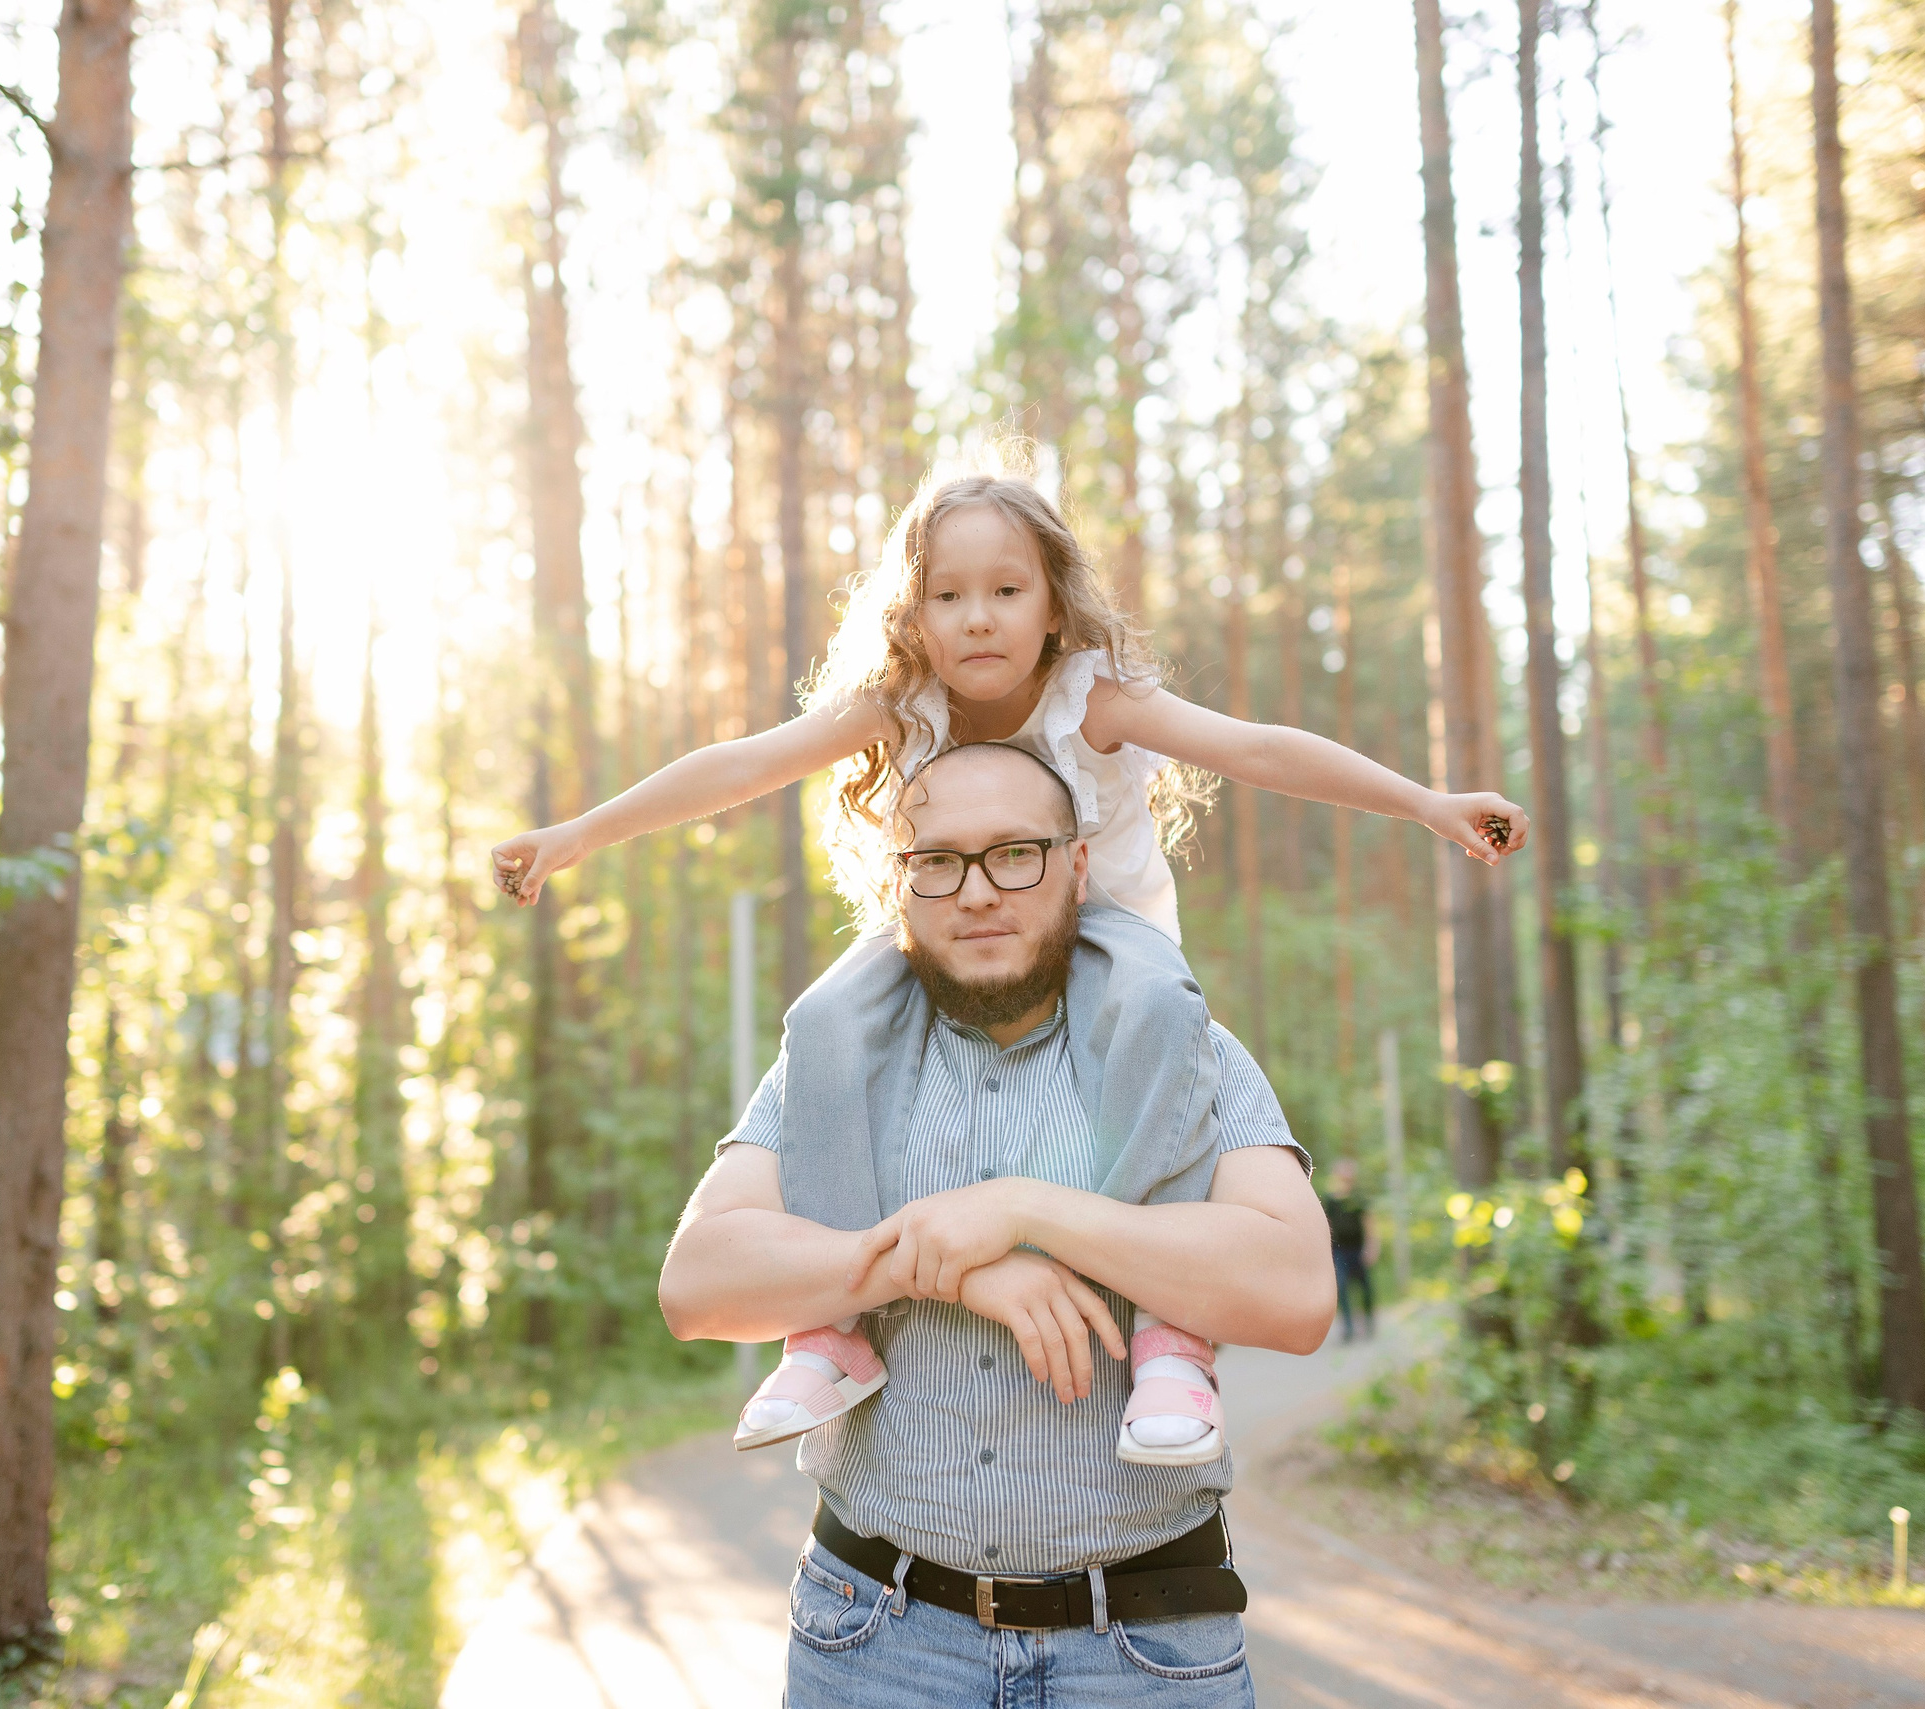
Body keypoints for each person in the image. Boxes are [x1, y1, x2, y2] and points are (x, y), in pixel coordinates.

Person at [495, 454, 1526, 1456]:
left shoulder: (1094, 697)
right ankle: (828, 1333)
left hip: (1107, 933)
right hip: (949, 924)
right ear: (913, 614)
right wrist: (578, 834)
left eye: (1005, 589)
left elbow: (1255, 746)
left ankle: (1172, 1341)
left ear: (1053, 603)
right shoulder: (899, 704)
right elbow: (744, 764)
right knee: (824, 1019)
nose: (977, 616)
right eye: (947, 594)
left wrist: (1425, 803)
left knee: (1163, 1022)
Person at [658, 740, 1331, 1705]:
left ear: (1078, 865)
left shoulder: (1186, 1046)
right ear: (902, 883)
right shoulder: (833, 1063)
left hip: (1145, 1653)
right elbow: (697, 1282)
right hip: (872, 1639)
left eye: (1015, 853)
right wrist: (941, 1263)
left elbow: (1298, 1291)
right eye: (938, 861)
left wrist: (1026, 1210)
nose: (976, 892)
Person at [1319, 1156, 1378, 1344]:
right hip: (1339, 1250)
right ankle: (1348, 1327)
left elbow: (1369, 1224)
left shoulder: (1359, 1198)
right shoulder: (1330, 1199)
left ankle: (1369, 1321)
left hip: (1358, 1249)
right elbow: (1325, 1224)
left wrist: (1371, 1246)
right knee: (1342, 1288)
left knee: (1365, 1288)